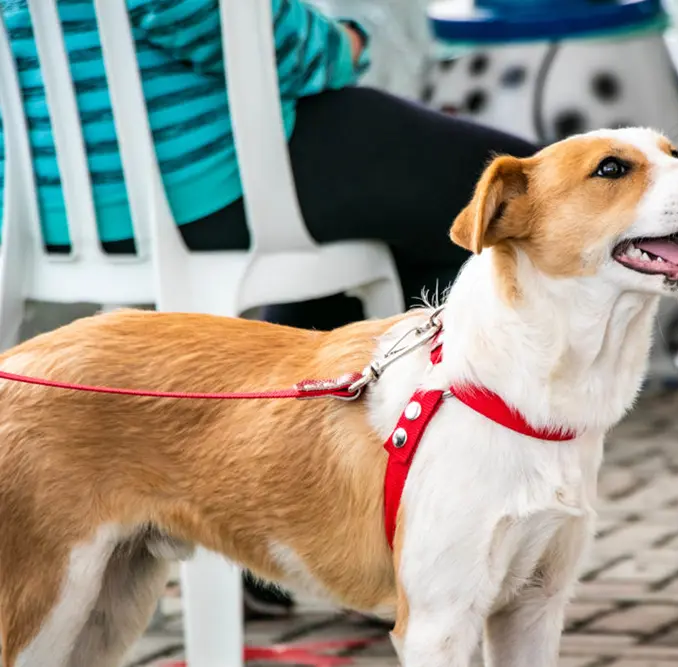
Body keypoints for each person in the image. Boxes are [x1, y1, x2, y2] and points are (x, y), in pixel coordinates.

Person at [2, 0, 536, 616]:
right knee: (523, 204)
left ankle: (282, 528)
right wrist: (346, 41)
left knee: (373, 226)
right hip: (197, 177)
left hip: (48, 191)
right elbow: (258, 44)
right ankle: (424, 546)